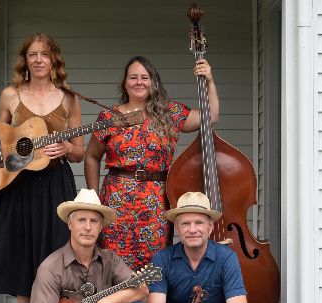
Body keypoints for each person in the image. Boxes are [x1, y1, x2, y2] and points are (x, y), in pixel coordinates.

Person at [0, 33, 83, 303]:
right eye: (32, 54)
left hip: (56, 185)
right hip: (18, 186)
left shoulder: (68, 98)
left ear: (53, 59)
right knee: (23, 261)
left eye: (44, 54)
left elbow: (79, 152)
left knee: (58, 259)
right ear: (25, 59)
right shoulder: (11, 95)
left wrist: (66, 147)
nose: (38, 60)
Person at [84, 56, 220, 271]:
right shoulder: (109, 117)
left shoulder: (169, 113)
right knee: (113, 263)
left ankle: (150, 297)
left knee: (154, 265)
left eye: (144, 77)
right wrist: (94, 199)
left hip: (156, 202)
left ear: (153, 82)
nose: (139, 82)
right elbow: (92, 156)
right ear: (125, 83)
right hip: (116, 200)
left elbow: (210, 116)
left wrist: (209, 80)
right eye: (133, 77)